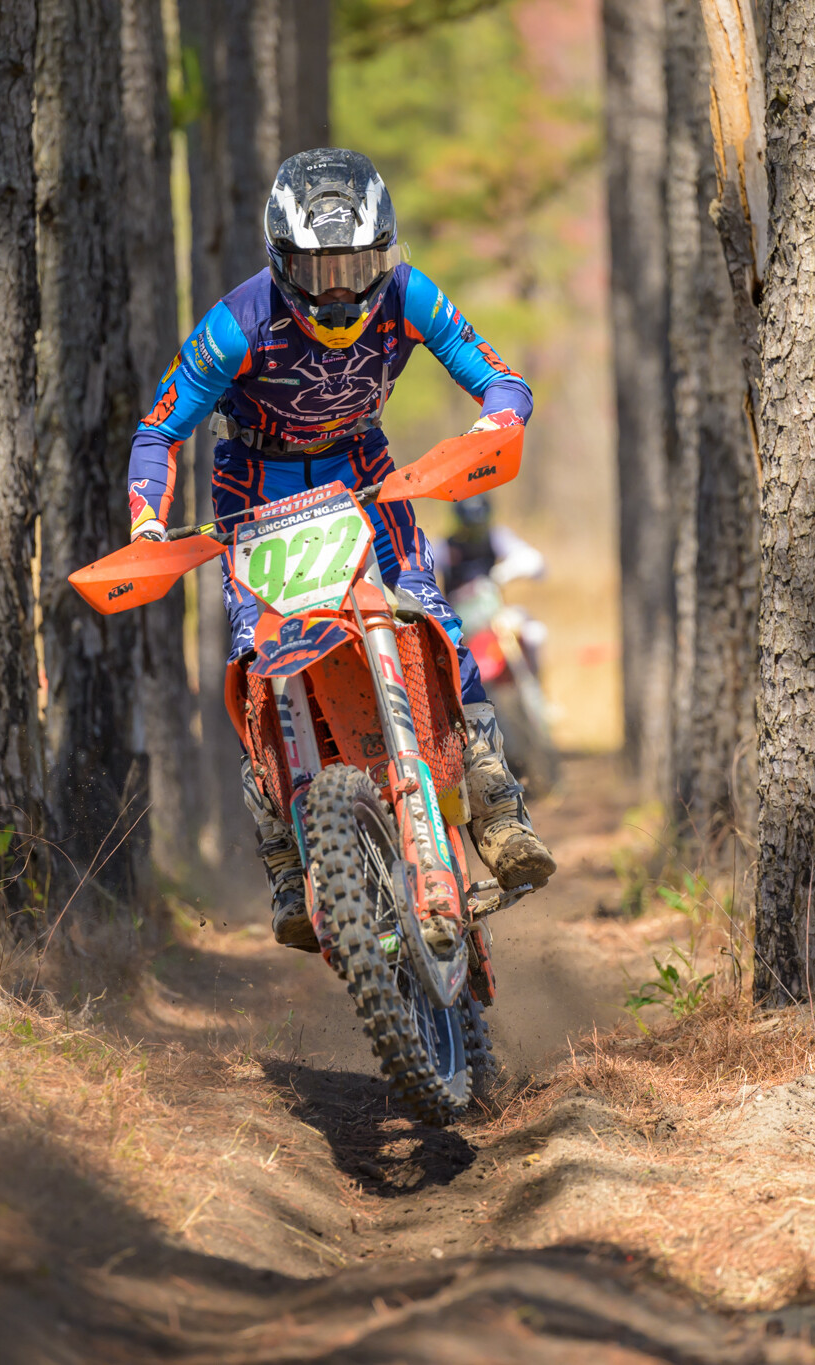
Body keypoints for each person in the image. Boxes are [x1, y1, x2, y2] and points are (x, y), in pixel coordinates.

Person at [125, 147, 556, 952]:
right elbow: (159, 428)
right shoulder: (236, 326)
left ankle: (496, 804)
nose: (339, 291)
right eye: (319, 271)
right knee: (258, 663)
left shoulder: (409, 295)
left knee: (432, 617)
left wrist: (494, 421)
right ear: (281, 262)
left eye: (356, 267)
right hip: (257, 494)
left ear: (383, 254)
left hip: (363, 477)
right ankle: (285, 856)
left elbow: (503, 379)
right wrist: (149, 519)